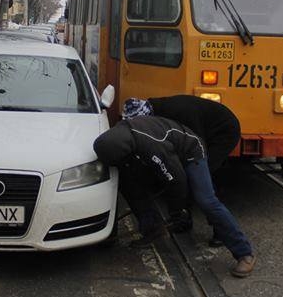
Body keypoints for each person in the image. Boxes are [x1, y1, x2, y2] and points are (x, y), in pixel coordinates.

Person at [93, 105, 256, 278]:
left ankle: (244, 253)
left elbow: (177, 180)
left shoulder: (151, 145)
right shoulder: (118, 137)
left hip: (191, 151)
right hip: (162, 149)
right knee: (128, 182)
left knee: (206, 200)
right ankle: (152, 228)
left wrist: (177, 211)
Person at [126, 96, 241, 246]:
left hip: (222, 132)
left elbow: (197, 142)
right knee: (183, 175)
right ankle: (183, 220)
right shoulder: (158, 111)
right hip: (201, 133)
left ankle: (221, 231)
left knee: (202, 181)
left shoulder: (179, 112)